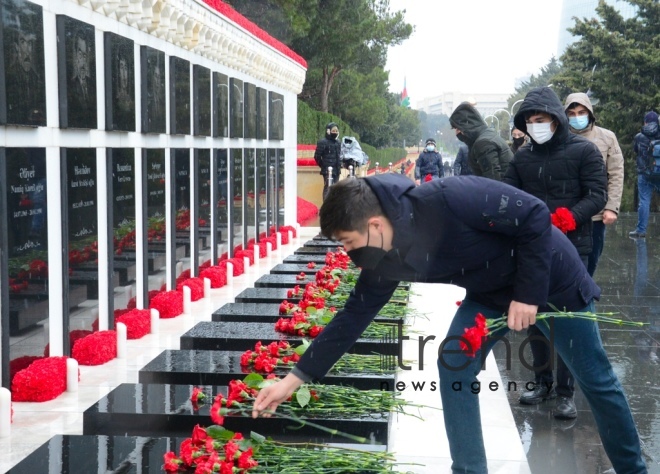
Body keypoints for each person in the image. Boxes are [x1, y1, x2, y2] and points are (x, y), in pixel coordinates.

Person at [252, 174, 646, 474]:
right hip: (491, 294)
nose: (347, 252)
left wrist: (528, 295)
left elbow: (534, 216)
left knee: (596, 379)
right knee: (454, 361)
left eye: (347, 242)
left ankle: (633, 469)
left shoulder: (448, 199)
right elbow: (355, 314)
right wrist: (294, 379)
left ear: (373, 225)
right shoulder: (383, 256)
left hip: (551, 280)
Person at [503, 86, 607, 420]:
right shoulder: (521, 159)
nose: (536, 125)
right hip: (533, 250)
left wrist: (570, 217)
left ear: (556, 120)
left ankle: (566, 391)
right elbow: (508, 197)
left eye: (542, 119)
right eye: (531, 121)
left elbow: (597, 194)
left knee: (568, 319)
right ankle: (541, 380)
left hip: (574, 247)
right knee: (534, 317)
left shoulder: (584, 152)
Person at [564, 92, 624, 276]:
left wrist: (612, 207)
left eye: (581, 112)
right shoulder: (559, 139)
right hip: (566, 213)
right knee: (564, 264)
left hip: (596, 215)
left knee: (590, 263)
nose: (577, 117)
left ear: (589, 112)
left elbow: (615, 172)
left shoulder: (607, 137)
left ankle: (584, 301)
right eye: (572, 114)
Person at [449, 102, 512, 181]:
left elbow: (493, 179)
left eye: (458, 129)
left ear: (466, 126)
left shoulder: (483, 144)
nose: (457, 133)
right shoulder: (486, 136)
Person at [629, 111, 660, 238]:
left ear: (645, 122)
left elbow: (635, 150)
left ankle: (641, 230)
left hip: (645, 174)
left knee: (644, 201)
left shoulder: (639, 136)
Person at [313, 122, 341, 200]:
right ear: (328, 131)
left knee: (336, 189)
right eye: (333, 131)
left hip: (337, 169)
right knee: (328, 188)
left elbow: (339, 155)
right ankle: (326, 206)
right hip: (327, 170)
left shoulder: (338, 142)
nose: (335, 132)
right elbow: (317, 156)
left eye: (336, 131)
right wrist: (323, 165)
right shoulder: (323, 142)